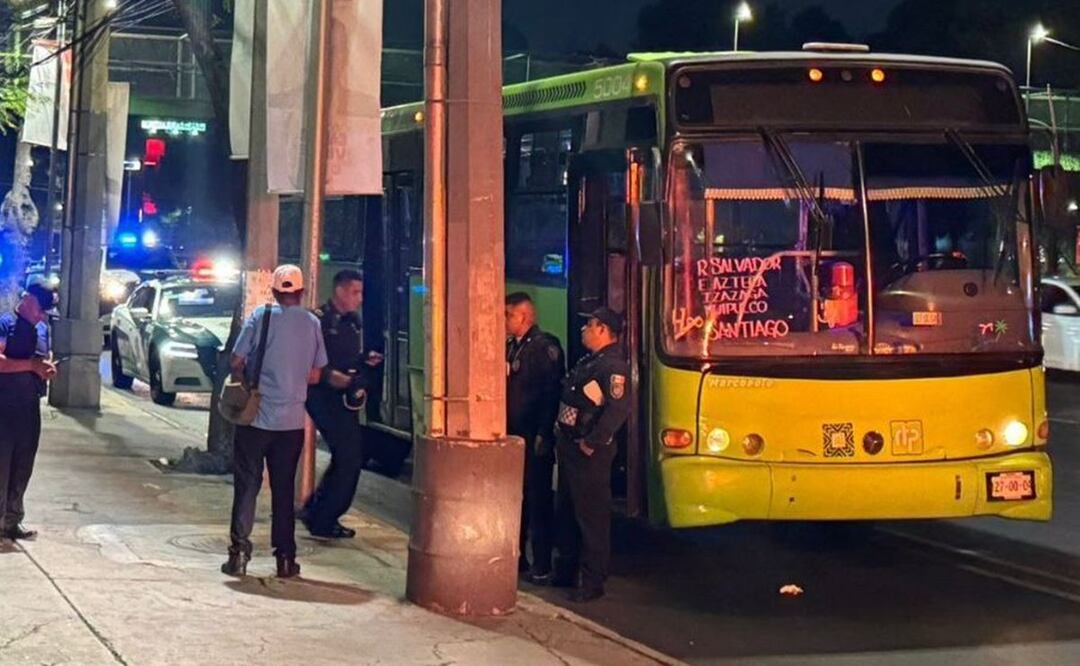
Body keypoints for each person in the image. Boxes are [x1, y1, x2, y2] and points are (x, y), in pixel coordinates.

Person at [222, 265, 327, 579]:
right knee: (283, 491)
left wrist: (253, 373)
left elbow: (236, 360)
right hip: (291, 423)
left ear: (275, 290)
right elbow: (317, 373)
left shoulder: (260, 317)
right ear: (300, 292)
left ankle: (239, 554)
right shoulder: (312, 323)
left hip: (256, 419)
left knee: (247, 486)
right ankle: (285, 559)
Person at [552, 307, 631, 602]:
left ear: (602, 330)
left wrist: (593, 441)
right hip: (570, 446)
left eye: (589, 326)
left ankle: (593, 580)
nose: (584, 330)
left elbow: (618, 409)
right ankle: (566, 570)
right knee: (568, 510)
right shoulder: (591, 362)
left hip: (589, 452)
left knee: (591, 516)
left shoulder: (612, 367)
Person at [301, 269, 382, 539]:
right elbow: (304, 363)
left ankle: (318, 510)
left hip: (345, 397)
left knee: (347, 456)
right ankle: (323, 518)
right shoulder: (317, 321)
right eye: (354, 293)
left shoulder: (353, 322)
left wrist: (364, 362)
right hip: (322, 397)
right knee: (349, 457)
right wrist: (328, 376)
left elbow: (349, 358)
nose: (359, 299)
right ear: (339, 291)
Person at [505, 292, 564, 584]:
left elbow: (550, 395)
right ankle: (518, 559)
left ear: (525, 317)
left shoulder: (544, 348)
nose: (505, 321)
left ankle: (542, 563)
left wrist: (544, 433)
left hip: (534, 435)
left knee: (538, 500)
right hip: (513, 433)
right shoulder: (512, 347)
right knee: (515, 499)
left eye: (509, 315)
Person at [0, 280, 57, 544]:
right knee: (3, 464)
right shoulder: (5, 324)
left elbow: (42, 361)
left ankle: (12, 521)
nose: (42, 315)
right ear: (29, 301)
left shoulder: (42, 330)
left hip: (29, 406)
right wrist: (32, 366)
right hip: (4, 406)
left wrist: (46, 368)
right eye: (41, 309)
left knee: (23, 465)